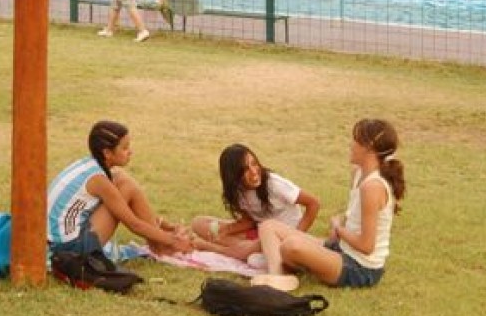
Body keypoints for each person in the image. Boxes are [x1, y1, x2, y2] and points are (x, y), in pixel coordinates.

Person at [254, 118, 406, 292]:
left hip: (360, 267)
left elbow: (366, 246)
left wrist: (338, 229)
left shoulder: (372, 187)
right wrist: (341, 221)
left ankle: (279, 266)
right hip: (341, 249)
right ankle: (278, 274)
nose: (351, 144)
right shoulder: (358, 173)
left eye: (355, 140)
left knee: (291, 245)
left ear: (369, 147)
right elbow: (356, 216)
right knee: (268, 227)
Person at [48, 120, 194, 258]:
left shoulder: (90, 165)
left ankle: (159, 242)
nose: (130, 152)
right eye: (124, 148)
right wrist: (173, 240)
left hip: (57, 242)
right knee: (128, 186)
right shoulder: (98, 180)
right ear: (107, 153)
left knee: (121, 179)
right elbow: (133, 224)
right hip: (70, 250)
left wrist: (165, 226)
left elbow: (123, 207)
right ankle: (161, 246)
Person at [189, 144, 320, 261]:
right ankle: (237, 246)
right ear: (233, 175)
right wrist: (226, 231)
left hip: (281, 236)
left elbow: (313, 203)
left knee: (252, 258)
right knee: (198, 223)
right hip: (258, 231)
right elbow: (249, 221)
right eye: (245, 169)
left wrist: (297, 236)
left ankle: (211, 247)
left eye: (254, 163)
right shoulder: (238, 192)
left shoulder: (274, 184)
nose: (253, 171)